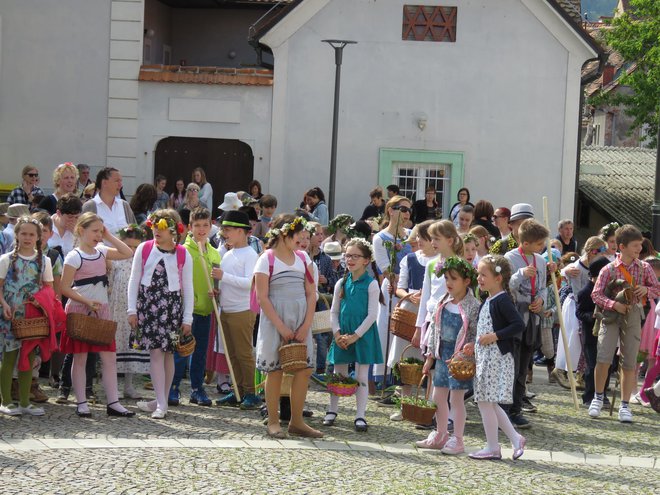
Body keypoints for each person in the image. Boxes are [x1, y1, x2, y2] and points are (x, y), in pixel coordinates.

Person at [59, 212, 135, 418]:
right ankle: (81, 402)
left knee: (109, 357)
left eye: (100, 231)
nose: (98, 235)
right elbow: (65, 288)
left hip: (101, 310)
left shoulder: (101, 251)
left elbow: (127, 252)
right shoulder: (74, 256)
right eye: (95, 231)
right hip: (80, 311)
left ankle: (114, 402)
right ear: (81, 231)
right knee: (81, 358)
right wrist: (86, 302)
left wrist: (109, 235)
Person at [254, 214, 320, 438]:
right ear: (285, 234)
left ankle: (297, 420)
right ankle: (273, 421)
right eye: (298, 236)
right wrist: (282, 328)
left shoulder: (303, 259)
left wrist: (306, 324)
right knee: (276, 371)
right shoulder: (267, 259)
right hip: (276, 319)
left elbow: (312, 293)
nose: (301, 241)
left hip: (300, 318)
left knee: (304, 369)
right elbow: (262, 297)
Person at [589, 224, 660, 423]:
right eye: (635, 245)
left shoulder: (644, 267)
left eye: (640, 245)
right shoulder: (608, 269)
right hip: (611, 316)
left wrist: (647, 291)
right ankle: (598, 397)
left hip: (634, 314)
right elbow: (596, 294)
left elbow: (657, 288)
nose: (639, 249)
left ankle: (625, 405)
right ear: (622, 246)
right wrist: (613, 304)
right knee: (604, 357)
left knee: (630, 361)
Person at [128, 209, 194, 419]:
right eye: (154, 226)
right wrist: (132, 309)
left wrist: (188, 317)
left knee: (168, 354)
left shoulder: (183, 254)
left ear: (173, 230)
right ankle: (161, 404)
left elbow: (188, 288)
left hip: (171, 310)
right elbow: (134, 280)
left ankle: (160, 400)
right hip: (149, 307)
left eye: (162, 227)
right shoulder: (144, 249)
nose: (156, 230)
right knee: (155, 352)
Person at [418, 257, 479, 453]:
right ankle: (441, 433)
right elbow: (435, 331)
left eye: (454, 278)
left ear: (467, 281)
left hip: (460, 359)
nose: (449, 283)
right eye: (446, 278)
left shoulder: (473, 306)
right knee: (438, 397)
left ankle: (458, 439)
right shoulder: (443, 302)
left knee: (456, 400)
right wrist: (429, 357)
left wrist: (472, 346)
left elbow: (477, 332)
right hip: (442, 355)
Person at [324, 239, 383, 432]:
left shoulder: (371, 284)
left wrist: (355, 336)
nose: (350, 260)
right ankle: (332, 410)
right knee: (337, 373)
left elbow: (372, 314)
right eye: (347, 255)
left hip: (362, 335)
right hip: (342, 334)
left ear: (366, 260)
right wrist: (338, 333)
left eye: (355, 256)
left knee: (361, 375)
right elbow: (333, 312)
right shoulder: (341, 283)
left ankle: (360, 415)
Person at [470, 255, 526, 460]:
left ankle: (494, 446)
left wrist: (494, 336)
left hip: (497, 358)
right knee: (488, 402)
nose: (479, 278)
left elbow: (518, 324)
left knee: (487, 402)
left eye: (483, 275)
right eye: (479, 274)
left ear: (498, 278)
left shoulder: (501, 299)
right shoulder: (490, 299)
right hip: (487, 357)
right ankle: (512, 439)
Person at [0, 217, 54, 416]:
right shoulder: (6, 260)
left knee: (28, 358)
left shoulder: (44, 261)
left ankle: (24, 401)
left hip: (32, 316)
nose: (27, 238)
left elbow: (49, 288)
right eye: (23, 233)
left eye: (32, 234)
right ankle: (6, 400)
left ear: (39, 237)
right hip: (9, 314)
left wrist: (42, 303)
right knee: (9, 358)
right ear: (16, 235)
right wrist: (4, 304)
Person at [169, 207, 220, 408]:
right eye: (197, 225)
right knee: (179, 351)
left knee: (200, 353)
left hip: (205, 310)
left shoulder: (215, 253)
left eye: (205, 225)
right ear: (190, 227)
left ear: (210, 226)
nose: (201, 229)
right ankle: (172, 386)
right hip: (183, 312)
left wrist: (216, 291)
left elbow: (216, 283)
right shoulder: (182, 250)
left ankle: (197, 389)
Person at [503, 219, 549, 429]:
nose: (542, 247)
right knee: (510, 366)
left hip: (531, 319)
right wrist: (520, 274)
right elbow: (504, 285)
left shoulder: (540, 260)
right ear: (527, 243)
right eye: (540, 244)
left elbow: (542, 287)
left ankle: (516, 409)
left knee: (523, 367)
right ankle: (503, 410)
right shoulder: (510, 258)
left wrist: (540, 299)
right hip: (514, 318)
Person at [214, 211, 260, 409]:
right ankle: (238, 390)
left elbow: (250, 282)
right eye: (224, 229)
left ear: (242, 232)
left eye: (229, 230)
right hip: (226, 308)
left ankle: (251, 392)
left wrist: (223, 277)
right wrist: (217, 291)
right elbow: (228, 281)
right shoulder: (228, 253)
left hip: (242, 310)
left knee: (243, 353)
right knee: (231, 353)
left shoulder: (250, 254)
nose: (225, 233)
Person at [554, 237, 607, 386]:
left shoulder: (594, 265)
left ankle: (580, 374)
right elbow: (577, 290)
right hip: (576, 305)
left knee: (581, 343)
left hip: (586, 304)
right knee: (573, 341)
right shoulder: (578, 268)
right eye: (600, 252)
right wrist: (565, 270)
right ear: (591, 252)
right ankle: (564, 371)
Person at [372, 196, 413, 383]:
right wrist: (401, 284)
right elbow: (385, 268)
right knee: (387, 332)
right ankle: (385, 378)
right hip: (393, 288)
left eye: (408, 210)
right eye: (402, 209)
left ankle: (406, 374)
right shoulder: (380, 238)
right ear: (390, 210)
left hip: (411, 290)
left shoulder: (412, 234)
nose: (406, 213)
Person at [109, 224, 150, 400]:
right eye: (129, 246)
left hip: (134, 308)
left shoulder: (143, 263)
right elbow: (110, 281)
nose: (132, 250)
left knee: (132, 345)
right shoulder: (116, 259)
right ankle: (113, 385)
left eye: (135, 246)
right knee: (116, 346)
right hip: (117, 307)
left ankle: (129, 385)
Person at [414, 221, 464, 351]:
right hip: (431, 320)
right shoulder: (431, 264)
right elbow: (425, 297)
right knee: (429, 363)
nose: (432, 242)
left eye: (437, 239)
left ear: (449, 241)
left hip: (452, 320)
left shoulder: (461, 264)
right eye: (432, 238)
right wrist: (419, 328)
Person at [576, 256, 612, 407]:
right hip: (590, 334)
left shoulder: (608, 291)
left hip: (606, 332)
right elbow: (579, 312)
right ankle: (589, 396)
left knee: (606, 364)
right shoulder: (585, 292)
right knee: (592, 365)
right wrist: (592, 316)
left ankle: (602, 393)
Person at [82, 167, 136, 235]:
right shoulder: (90, 206)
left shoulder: (124, 205)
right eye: (117, 181)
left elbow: (135, 233)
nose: (120, 185)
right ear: (104, 183)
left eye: (121, 181)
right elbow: (83, 235)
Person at [49, 194, 82, 259]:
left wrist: (76, 234)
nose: (73, 220)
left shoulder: (80, 228)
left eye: (76, 217)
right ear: (59, 213)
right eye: (70, 217)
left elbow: (84, 253)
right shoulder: (46, 226)